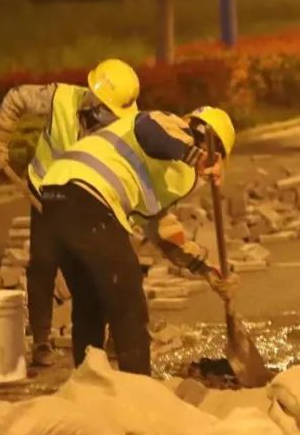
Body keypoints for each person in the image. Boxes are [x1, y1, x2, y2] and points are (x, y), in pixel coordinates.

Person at [36, 106, 237, 375]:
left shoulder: (165, 170)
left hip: (54, 197)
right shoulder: (167, 124)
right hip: (89, 196)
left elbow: (162, 230)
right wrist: (196, 155)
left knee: (89, 303)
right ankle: (138, 391)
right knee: (128, 303)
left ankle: (87, 386)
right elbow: (150, 131)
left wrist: (208, 270)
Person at [0, 59, 140, 367]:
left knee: (100, 267)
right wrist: (1, 142)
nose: (110, 117)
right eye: (107, 108)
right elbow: (16, 98)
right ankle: (42, 340)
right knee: (43, 262)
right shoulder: (59, 98)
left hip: (92, 203)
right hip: (48, 192)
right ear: (94, 96)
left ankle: (108, 335)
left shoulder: (124, 128)